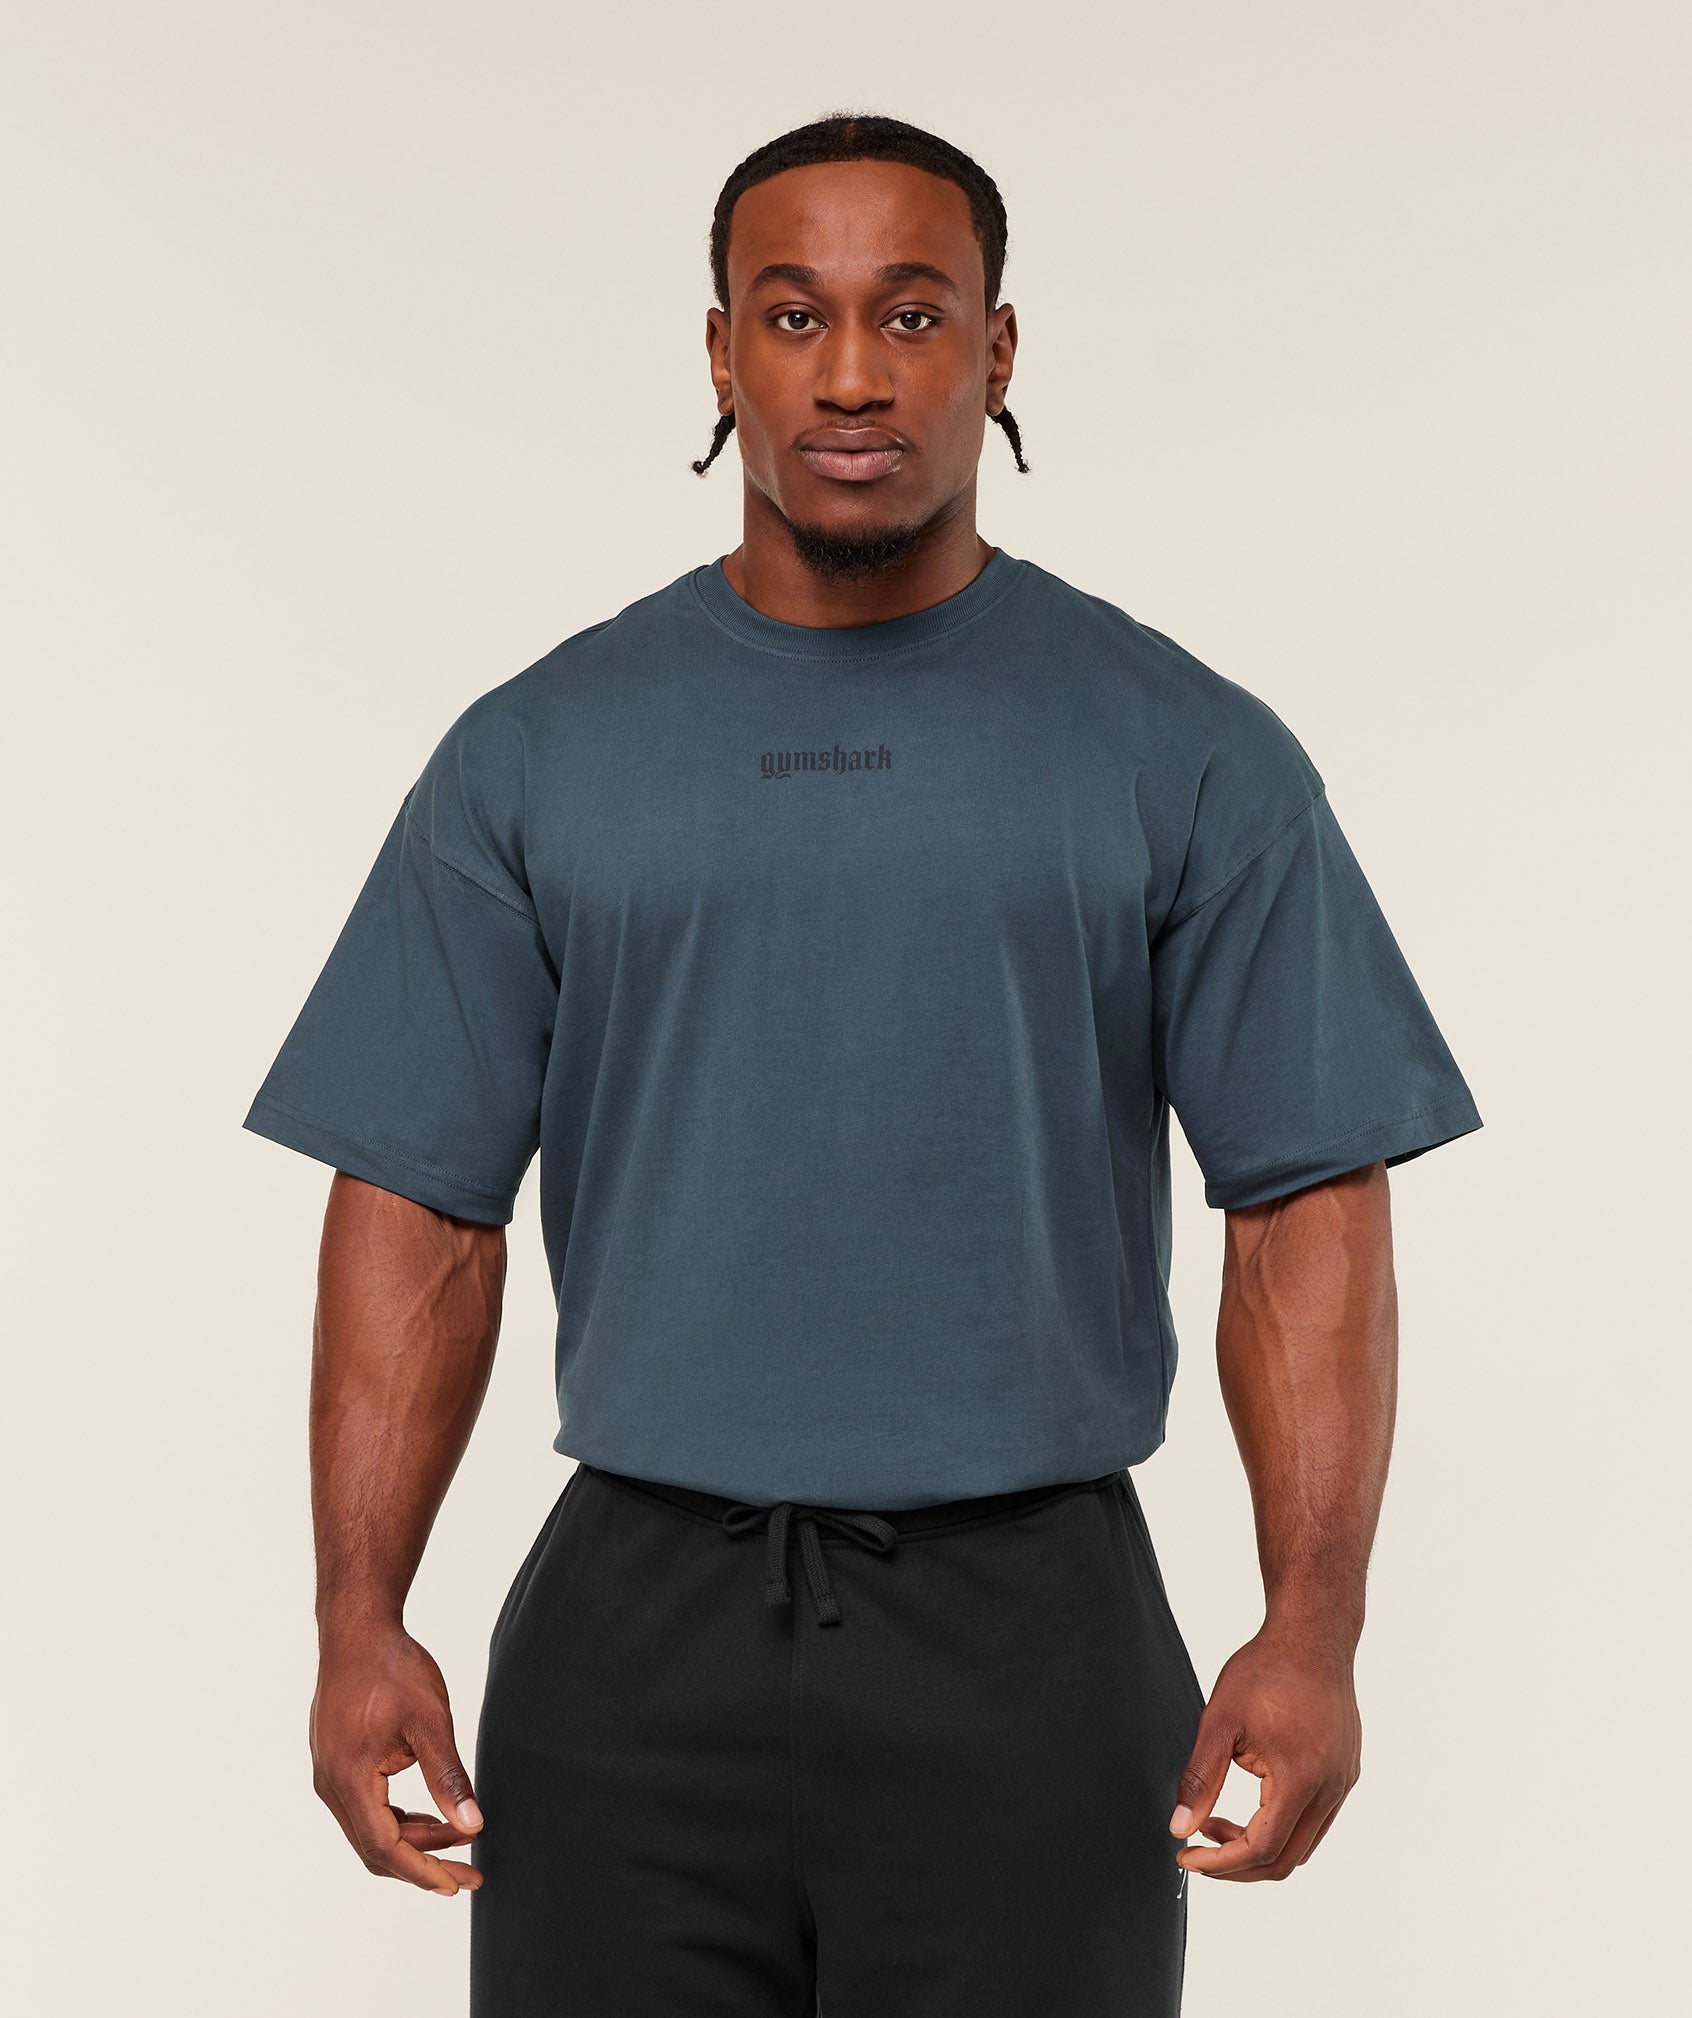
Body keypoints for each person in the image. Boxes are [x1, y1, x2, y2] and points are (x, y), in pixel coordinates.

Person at [243, 112, 1482, 2017]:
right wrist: (357, 1614)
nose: (849, 373)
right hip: (630, 1633)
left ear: (998, 349)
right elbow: (419, 1207)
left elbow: (1304, 1202)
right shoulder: (538, 750)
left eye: (911, 314)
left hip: (1034, 1636)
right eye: (792, 312)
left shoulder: (1186, 749)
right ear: (719, 354)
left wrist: (1313, 1626)